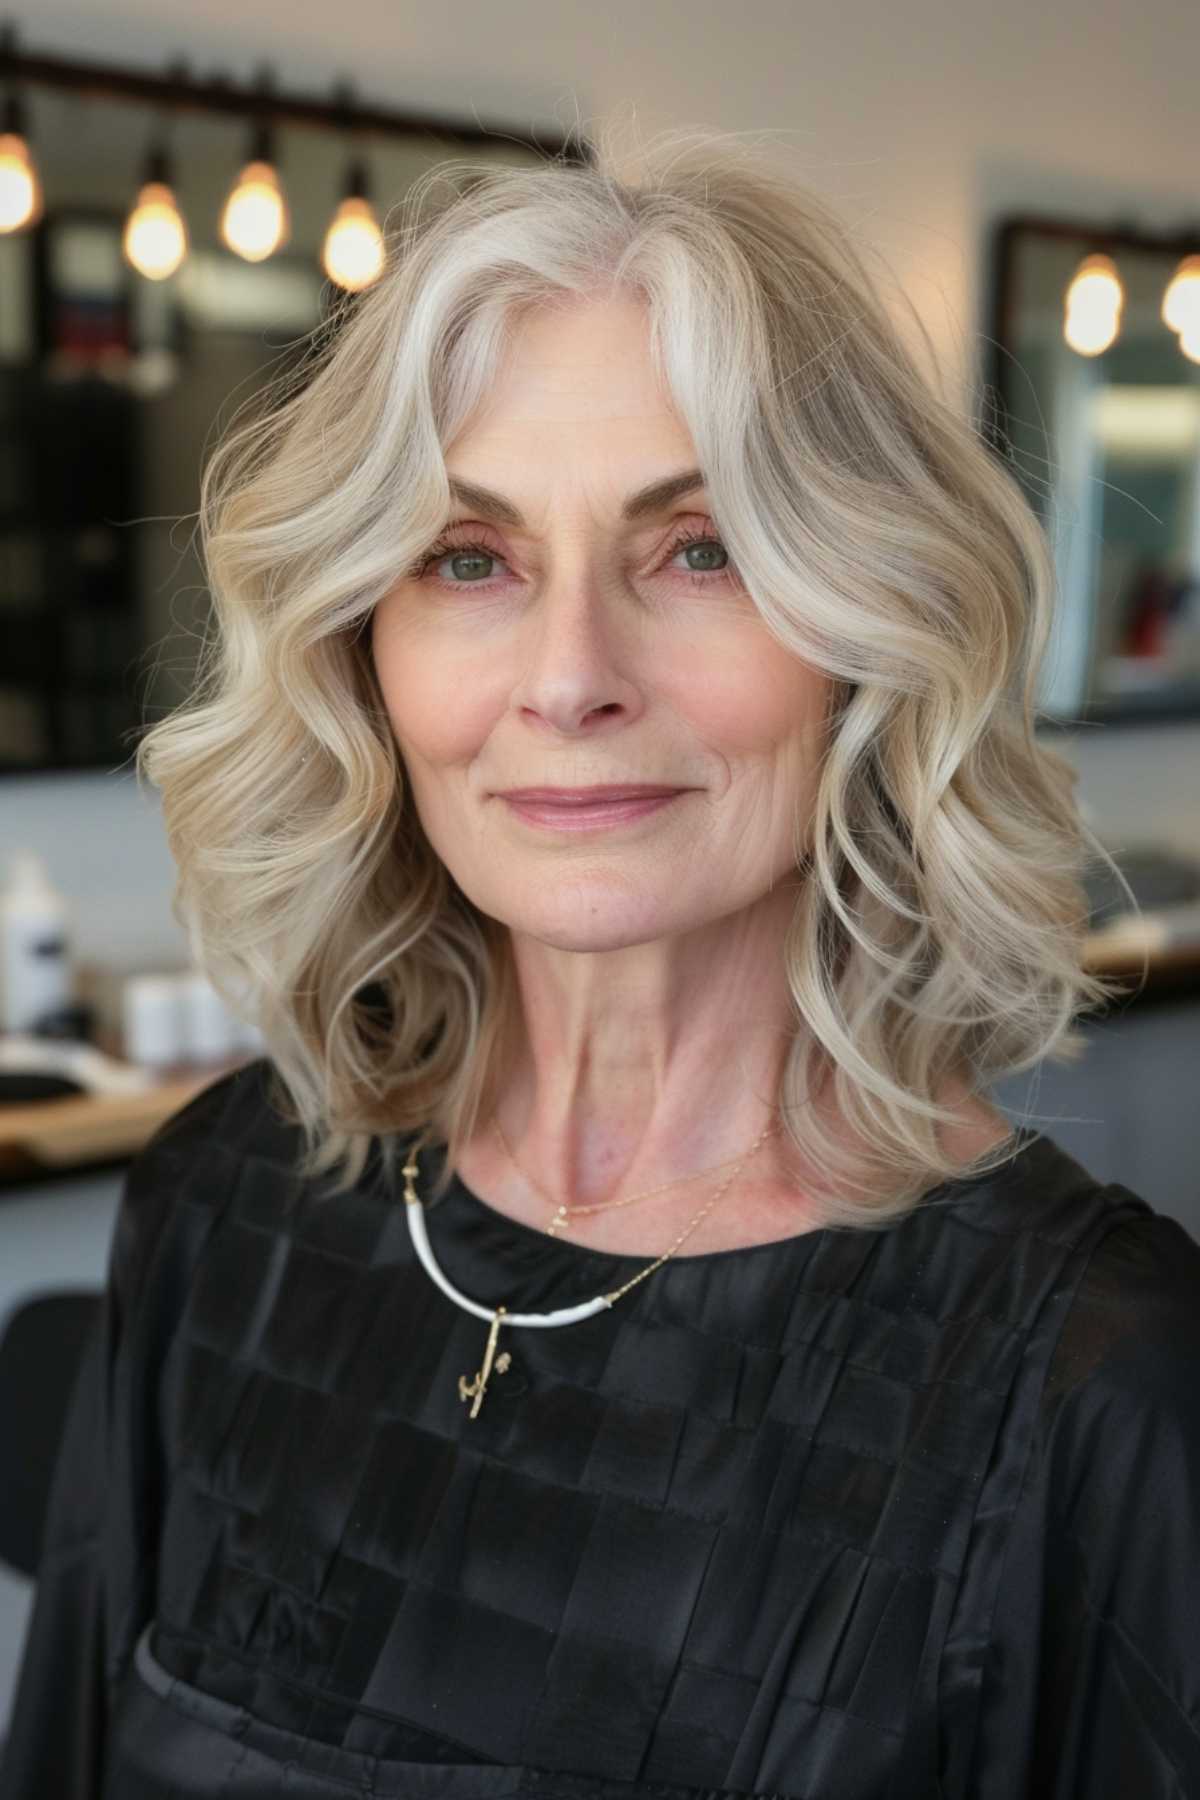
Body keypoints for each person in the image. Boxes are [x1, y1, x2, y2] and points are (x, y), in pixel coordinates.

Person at [3, 126, 1199, 1800]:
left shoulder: (1102, 1392)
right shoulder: (219, 1209)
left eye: (699, 548)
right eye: (470, 559)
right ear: (367, 650)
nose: (570, 680)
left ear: (867, 638)